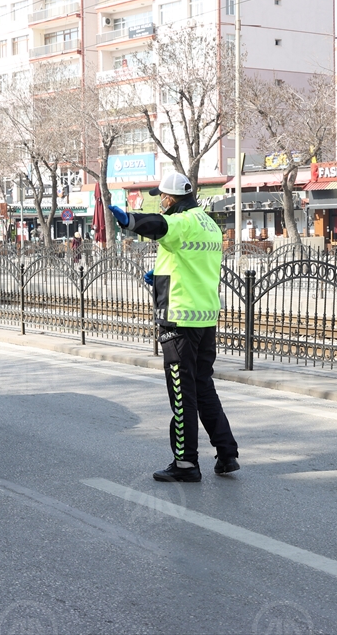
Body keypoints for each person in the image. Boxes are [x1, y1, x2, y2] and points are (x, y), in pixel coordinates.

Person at [109, 172, 239, 483]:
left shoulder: (180, 221)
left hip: (180, 319)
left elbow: (159, 226)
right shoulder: (209, 223)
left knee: (182, 394)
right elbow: (190, 261)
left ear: (170, 198)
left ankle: (185, 463)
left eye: (162, 197)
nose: (161, 202)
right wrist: (163, 273)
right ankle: (226, 452)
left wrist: (129, 221)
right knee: (204, 387)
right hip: (205, 316)